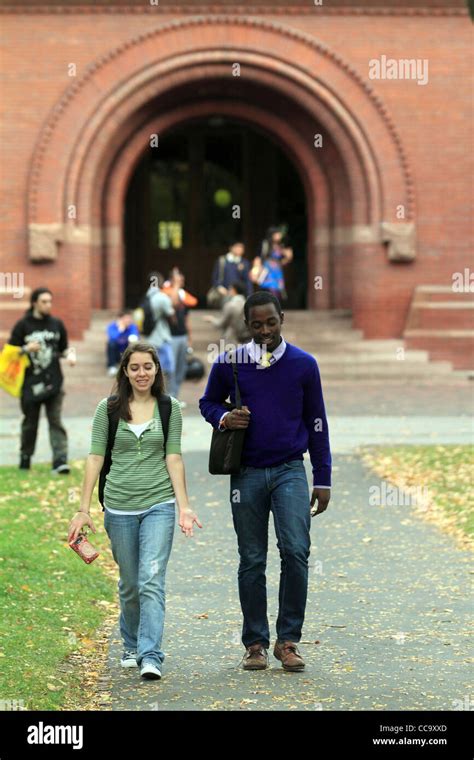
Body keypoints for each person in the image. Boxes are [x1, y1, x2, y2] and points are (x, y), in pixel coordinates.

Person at [199, 292, 331, 672]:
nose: (264, 331)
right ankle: (254, 643)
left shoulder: (304, 365)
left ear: (282, 318)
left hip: (290, 469)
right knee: (252, 559)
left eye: (270, 322)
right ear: (246, 324)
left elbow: (317, 422)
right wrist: (224, 418)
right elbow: (207, 402)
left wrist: (322, 478)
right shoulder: (231, 363)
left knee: (295, 551)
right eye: (256, 325)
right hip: (247, 473)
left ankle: (288, 640)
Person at [68, 341, 202, 680]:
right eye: (135, 367)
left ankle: (150, 654)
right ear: (125, 372)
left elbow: (174, 457)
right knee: (130, 584)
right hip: (119, 507)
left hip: (159, 504)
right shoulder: (109, 409)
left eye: (147, 367)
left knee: (151, 580)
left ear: (157, 369)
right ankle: (129, 644)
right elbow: (96, 457)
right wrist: (83, 509)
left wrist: (184, 506)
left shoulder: (169, 408)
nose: (142, 373)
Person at [8, 287, 76, 474]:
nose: (48, 305)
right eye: (44, 301)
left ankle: (60, 461)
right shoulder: (23, 325)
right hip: (30, 383)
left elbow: (64, 348)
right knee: (30, 423)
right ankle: (25, 458)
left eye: (50, 301)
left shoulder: (56, 324)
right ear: (34, 303)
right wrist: (25, 349)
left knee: (56, 420)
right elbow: (9, 352)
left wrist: (70, 354)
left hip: (54, 381)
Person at [162, 267, 198, 407]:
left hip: (182, 336)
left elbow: (186, 318)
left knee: (180, 369)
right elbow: (173, 304)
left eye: (181, 279)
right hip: (170, 337)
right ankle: (168, 398)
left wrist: (189, 338)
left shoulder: (183, 295)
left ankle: (174, 397)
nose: (181, 280)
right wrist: (175, 285)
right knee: (170, 369)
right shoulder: (165, 293)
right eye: (178, 278)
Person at [143, 272, 176, 386]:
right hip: (162, 338)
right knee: (168, 371)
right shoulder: (162, 298)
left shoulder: (146, 297)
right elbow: (172, 318)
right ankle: (167, 398)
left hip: (149, 338)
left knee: (152, 369)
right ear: (160, 283)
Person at [250, 226, 293, 301]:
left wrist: (288, 257)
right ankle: (268, 305)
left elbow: (283, 261)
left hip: (277, 271)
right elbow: (258, 257)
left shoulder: (281, 246)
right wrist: (255, 270)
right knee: (268, 288)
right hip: (266, 270)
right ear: (272, 235)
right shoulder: (265, 244)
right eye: (277, 234)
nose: (279, 236)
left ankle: (274, 307)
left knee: (277, 290)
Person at [203, 281, 251, 346]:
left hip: (232, 339)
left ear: (234, 290)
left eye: (230, 289)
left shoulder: (230, 305)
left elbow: (220, 324)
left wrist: (211, 319)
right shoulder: (248, 304)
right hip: (246, 338)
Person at [209, 241, 252, 308]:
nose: (239, 249)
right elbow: (215, 277)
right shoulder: (222, 261)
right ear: (231, 248)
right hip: (224, 293)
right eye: (237, 247)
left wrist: (249, 296)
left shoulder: (245, 263)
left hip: (239, 295)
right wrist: (219, 287)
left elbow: (247, 281)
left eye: (241, 248)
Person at [106, 310, 139, 376]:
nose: (129, 320)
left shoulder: (132, 327)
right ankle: (112, 367)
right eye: (126, 318)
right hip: (116, 353)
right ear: (120, 319)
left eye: (130, 318)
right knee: (111, 343)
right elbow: (112, 337)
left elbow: (135, 337)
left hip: (126, 351)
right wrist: (120, 329)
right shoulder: (112, 326)